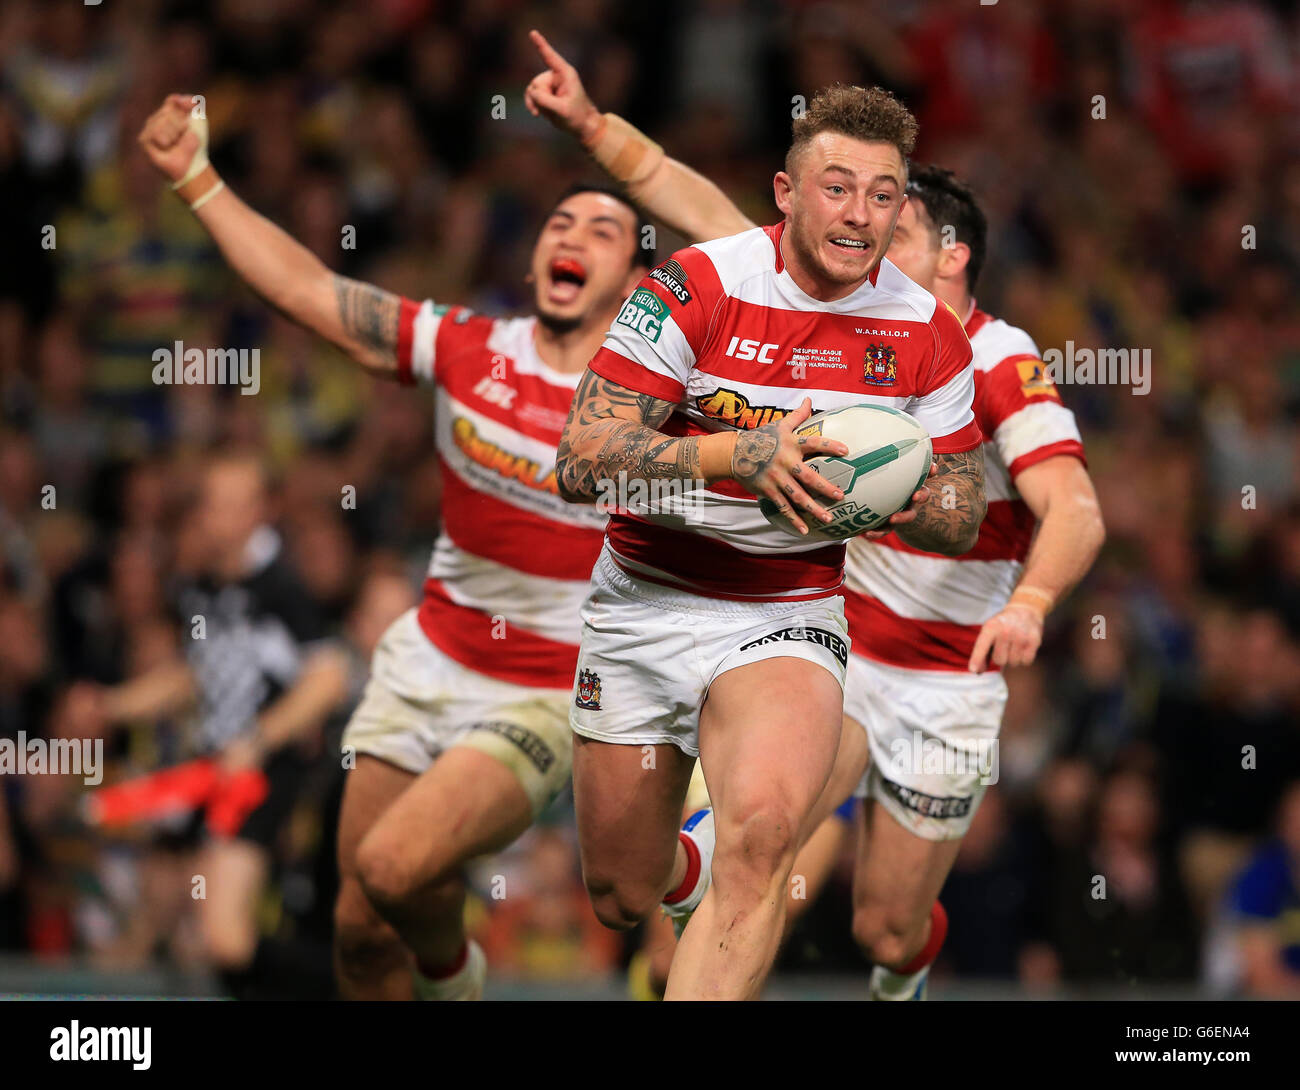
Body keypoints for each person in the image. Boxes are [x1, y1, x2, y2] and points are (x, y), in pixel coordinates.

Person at [133, 28, 748, 999]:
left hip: (548, 690)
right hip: (427, 661)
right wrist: (195, 178)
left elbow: (743, 254)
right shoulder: (470, 349)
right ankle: (435, 969)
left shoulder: (664, 396)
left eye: (601, 229)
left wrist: (598, 134)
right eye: (559, 222)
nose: (569, 237)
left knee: (391, 867)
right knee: (356, 929)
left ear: (636, 284)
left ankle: (456, 979)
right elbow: (308, 290)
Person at [554, 83, 986, 1001]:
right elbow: (581, 459)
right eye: (837, 188)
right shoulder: (694, 285)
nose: (859, 214)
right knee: (620, 893)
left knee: (759, 841)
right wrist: (735, 454)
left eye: (882, 195)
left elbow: (961, 510)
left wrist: (891, 495)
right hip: (644, 597)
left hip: (787, 609)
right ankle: (677, 874)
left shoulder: (930, 335)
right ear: (787, 194)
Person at [80, 452, 352, 998]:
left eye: (236, 505)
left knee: (223, 937)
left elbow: (330, 677)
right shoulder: (202, 587)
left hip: (263, 776)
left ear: (261, 511)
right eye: (213, 505)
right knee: (171, 935)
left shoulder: (282, 588)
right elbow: (193, 673)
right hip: (208, 770)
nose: (222, 517)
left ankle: (354, 987)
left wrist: (257, 740)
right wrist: (113, 705)